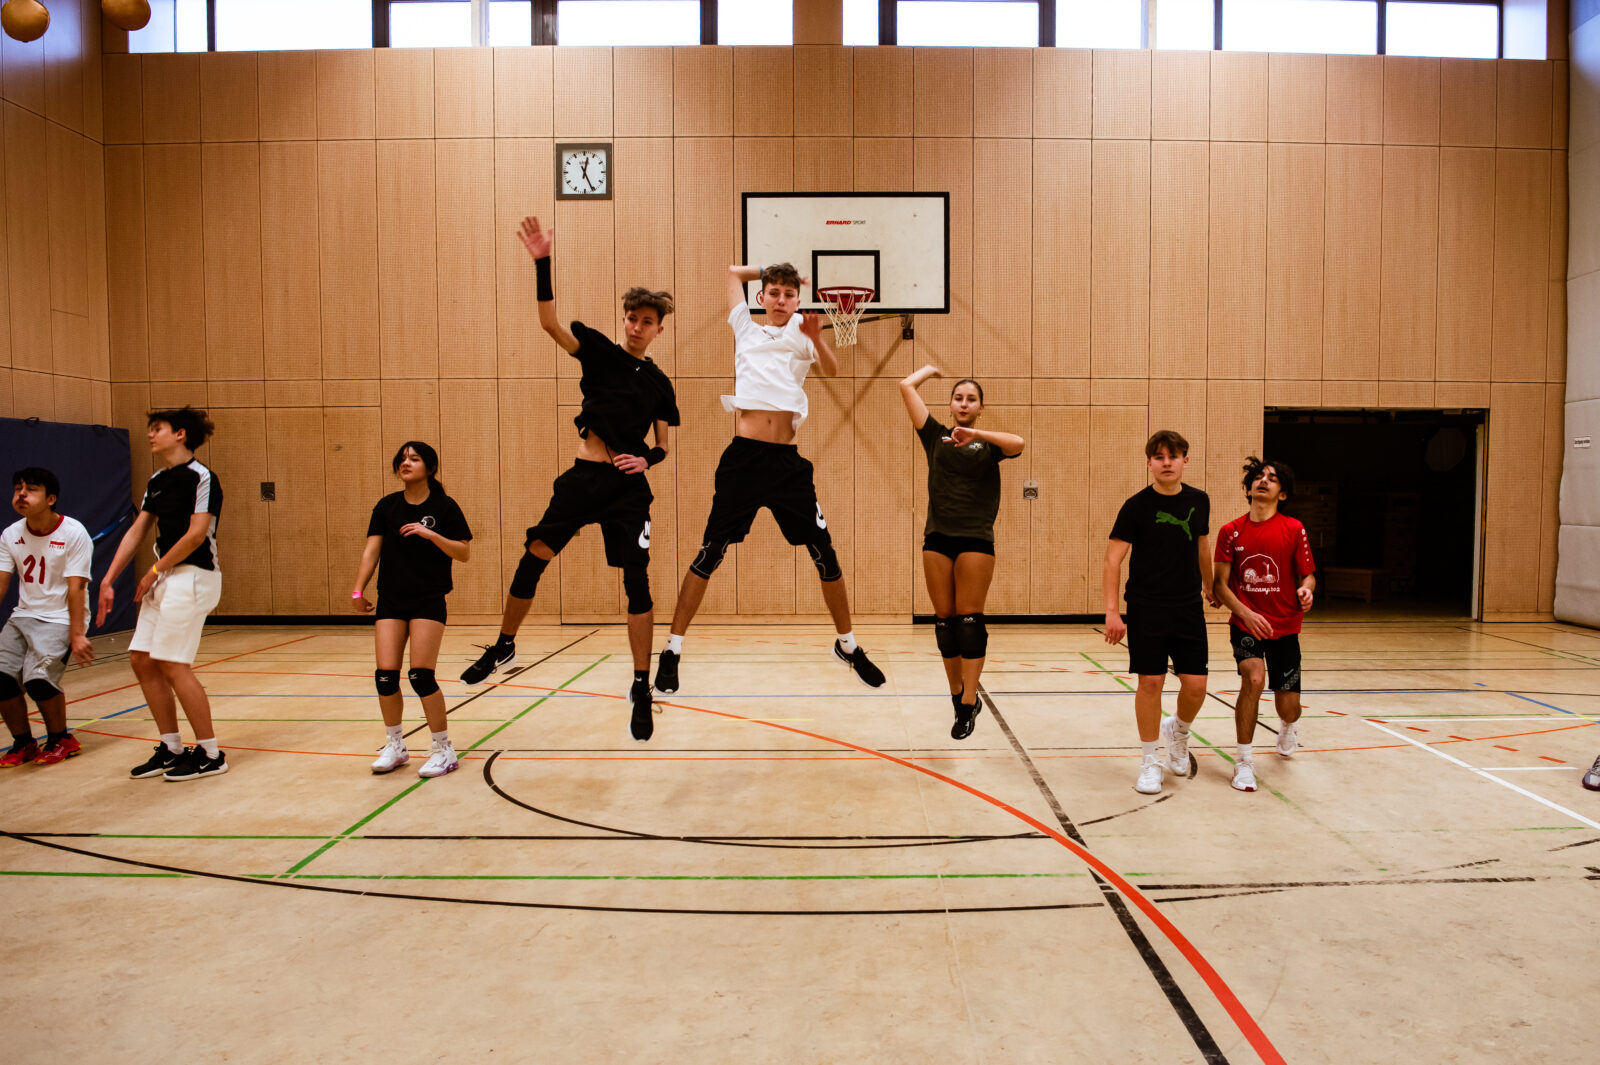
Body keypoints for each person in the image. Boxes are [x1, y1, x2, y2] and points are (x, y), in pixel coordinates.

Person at [459, 216, 678, 743]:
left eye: (645, 321)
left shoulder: (660, 384)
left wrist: (646, 459)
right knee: (535, 552)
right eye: (630, 316)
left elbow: (665, 444)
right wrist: (542, 262)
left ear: (658, 329)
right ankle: (505, 643)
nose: (635, 325)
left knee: (637, 582)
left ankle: (641, 683)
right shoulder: (600, 351)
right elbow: (549, 324)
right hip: (584, 478)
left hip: (628, 491)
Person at [654, 262, 885, 695]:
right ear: (761, 298)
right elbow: (730, 273)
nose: (780, 301)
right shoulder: (745, 325)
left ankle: (848, 645)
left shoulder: (804, 332)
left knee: (825, 554)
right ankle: (672, 649)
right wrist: (776, 268)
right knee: (709, 554)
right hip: (743, 461)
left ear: (798, 302)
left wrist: (817, 339)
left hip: (787, 466)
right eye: (773, 293)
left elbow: (832, 372)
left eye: (788, 295)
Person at [98, 407, 228, 781]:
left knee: (173, 663)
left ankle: (211, 752)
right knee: (141, 659)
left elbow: (195, 535)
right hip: (166, 577)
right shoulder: (157, 479)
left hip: (194, 575)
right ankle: (171, 747)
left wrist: (155, 569)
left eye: (158, 429)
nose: (151, 435)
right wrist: (109, 578)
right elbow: (138, 531)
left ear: (181, 434)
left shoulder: (202, 477)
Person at [898, 366, 1024, 739]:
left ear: (981, 406)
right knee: (944, 624)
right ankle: (957, 697)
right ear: (951, 404)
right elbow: (905, 386)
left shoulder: (988, 446)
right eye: (958, 397)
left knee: (969, 623)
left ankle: (970, 701)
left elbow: (1018, 442)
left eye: (971, 399)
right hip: (937, 537)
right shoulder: (934, 436)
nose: (964, 403)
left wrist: (976, 434)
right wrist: (930, 371)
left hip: (975, 539)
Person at [1103, 430, 1217, 795]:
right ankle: (1150, 759)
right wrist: (1112, 612)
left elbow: (1202, 547)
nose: (1166, 462)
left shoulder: (1200, 501)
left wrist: (1210, 585)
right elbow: (1112, 560)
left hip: (1187, 607)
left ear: (1186, 460)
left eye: (1173, 456)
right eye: (1159, 457)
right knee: (1151, 682)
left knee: (1197, 686)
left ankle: (1178, 732)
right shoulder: (1136, 506)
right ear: (1149, 463)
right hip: (1146, 606)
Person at [353, 442, 472, 778]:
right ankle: (396, 745)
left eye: (414, 459)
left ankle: (443, 749)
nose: (406, 463)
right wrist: (358, 589)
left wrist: (430, 534)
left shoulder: (445, 506)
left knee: (421, 675)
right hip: (391, 598)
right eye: (402, 459)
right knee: (385, 677)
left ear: (429, 468)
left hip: (427, 598)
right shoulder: (386, 506)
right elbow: (370, 551)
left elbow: (463, 552)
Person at [1212, 457, 1317, 793]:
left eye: (1272, 478)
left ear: (1282, 494)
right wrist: (1246, 613)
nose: (1263, 481)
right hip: (1246, 624)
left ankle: (1288, 727)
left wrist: (1306, 591)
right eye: (1258, 476)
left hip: (1285, 627)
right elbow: (1220, 586)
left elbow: (1309, 576)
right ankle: (1243, 762)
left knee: (1289, 708)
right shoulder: (1231, 531)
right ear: (1249, 487)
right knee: (1253, 678)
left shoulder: (1294, 529)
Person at [0, 467, 95, 768]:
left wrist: (77, 634)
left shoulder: (74, 532)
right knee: (1, 678)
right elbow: (2, 580)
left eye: (31, 489)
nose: (21, 494)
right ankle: (23, 742)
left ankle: (60, 739)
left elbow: (76, 586)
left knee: (38, 680)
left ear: (51, 498)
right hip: (23, 615)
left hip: (61, 617)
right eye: (18, 488)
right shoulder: (10, 534)